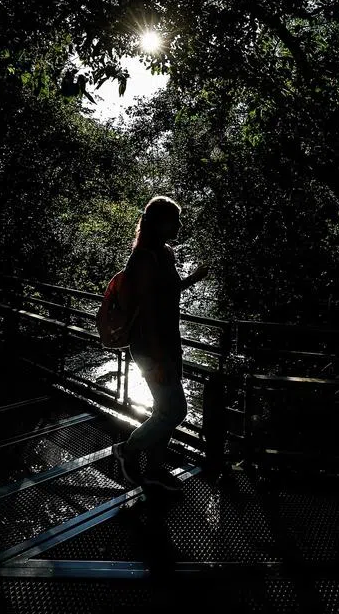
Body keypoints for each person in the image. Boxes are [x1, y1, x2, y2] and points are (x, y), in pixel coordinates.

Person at [112, 195, 208, 491]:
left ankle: (154, 469)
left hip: (169, 343)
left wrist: (193, 278)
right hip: (152, 347)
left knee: (163, 412)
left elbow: (169, 293)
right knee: (175, 411)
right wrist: (161, 357)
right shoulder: (143, 258)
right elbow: (148, 313)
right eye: (175, 218)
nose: (180, 224)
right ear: (160, 222)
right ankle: (127, 450)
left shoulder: (164, 253)